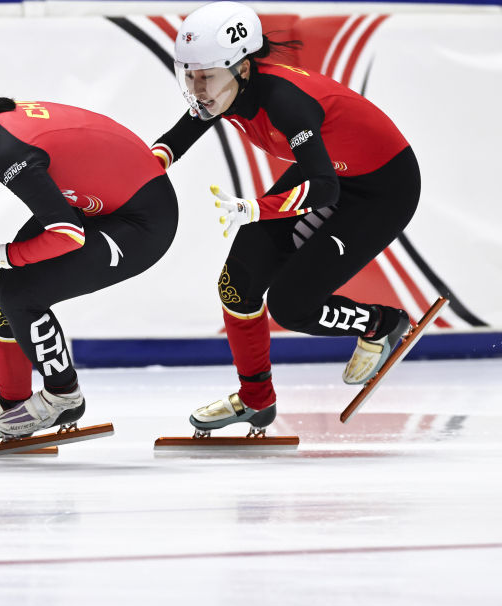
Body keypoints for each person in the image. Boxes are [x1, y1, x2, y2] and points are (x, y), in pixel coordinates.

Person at [152, 1, 418, 434]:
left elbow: (325, 189)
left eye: (206, 76)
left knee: (292, 307)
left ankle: (382, 324)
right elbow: (176, 140)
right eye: (190, 75)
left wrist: (257, 208)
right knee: (237, 285)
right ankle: (255, 400)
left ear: (242, 68)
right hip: (330, 174)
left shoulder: (286, 102)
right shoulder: (225, 91)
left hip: (381, 191)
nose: (197, 89)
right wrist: (138, 173)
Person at [0, 50, 178, 445]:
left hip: (142, 222)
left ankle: (63, 397)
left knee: (20, 295)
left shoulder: (10, 150)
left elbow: (67, 235)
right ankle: (15, 408)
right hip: (94, 204)